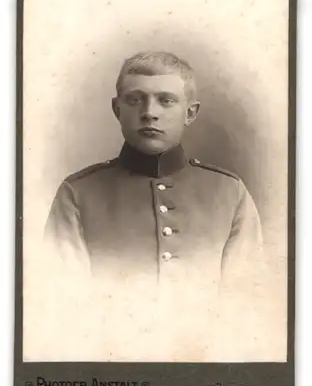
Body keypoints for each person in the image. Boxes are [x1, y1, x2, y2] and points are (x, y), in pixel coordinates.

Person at [44, 51, 274, 362]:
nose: (149, 112)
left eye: (166, 100)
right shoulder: (77, 193)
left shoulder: (229, 192)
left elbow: (245, 304)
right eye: (135, 100)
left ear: (190, 113)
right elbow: (62, 308)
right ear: (116, 109)